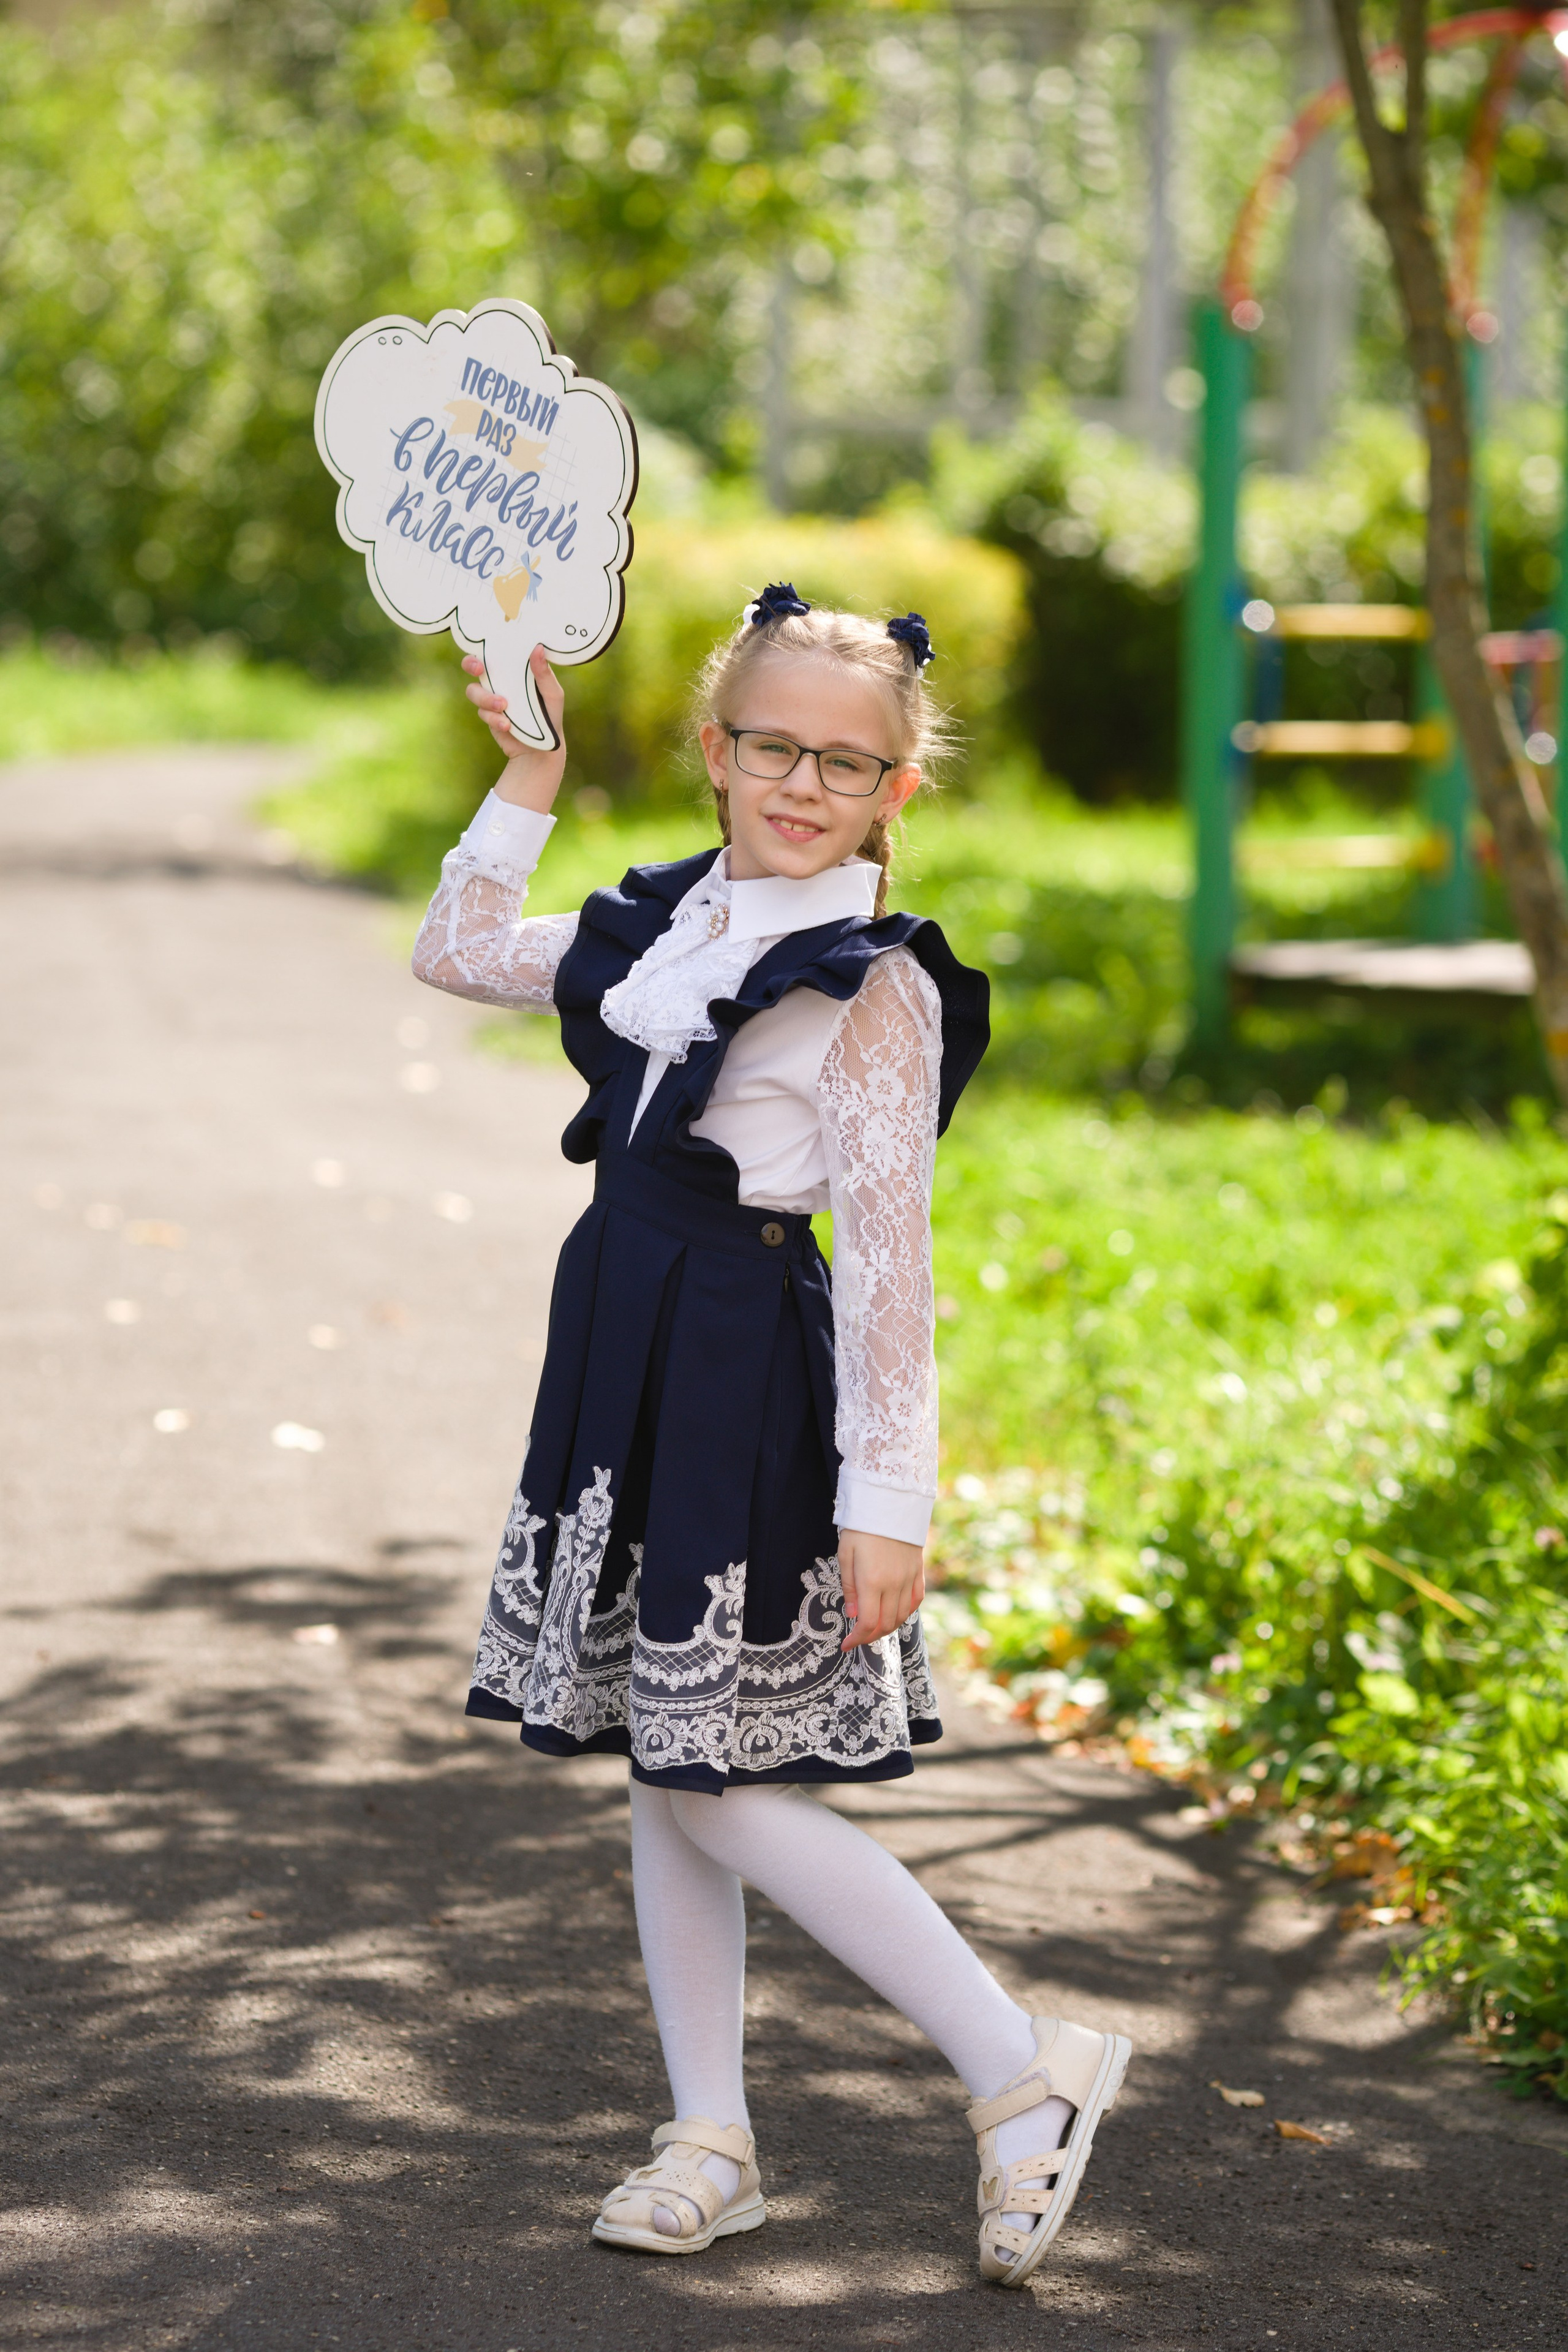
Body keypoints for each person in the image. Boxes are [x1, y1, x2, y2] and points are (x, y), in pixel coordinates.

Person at [411, 584, 1130, 2286]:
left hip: (744, 1369)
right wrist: (529, 772)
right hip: (625, 1351)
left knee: (716, 1780)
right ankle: (710, 2135)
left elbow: (889, 1260)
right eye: (772, 748)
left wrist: (892, 1500)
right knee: (667, 1762)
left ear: (897, 790)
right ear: (716, 750)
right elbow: (456, 948)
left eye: (846, 763)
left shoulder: (873, 985)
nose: (804, 784)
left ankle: (1018, 2065)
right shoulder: (672, 922)